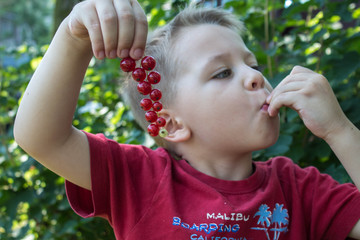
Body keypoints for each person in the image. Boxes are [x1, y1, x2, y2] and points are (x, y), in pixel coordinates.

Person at [13, 0, 360, 239]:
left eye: (252, 65)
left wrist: (339, 130)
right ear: (172, 125)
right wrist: (73, 39)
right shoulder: (141, 179)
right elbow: (43, 137)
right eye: (223, 72)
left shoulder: (300, 190)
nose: (256, 78)